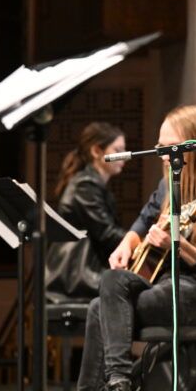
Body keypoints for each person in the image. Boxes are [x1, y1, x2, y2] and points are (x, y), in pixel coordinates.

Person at [77, 105, 196, 391]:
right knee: (111, 280)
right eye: (159, 146)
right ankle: (119, 381)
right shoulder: (170, 184)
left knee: (99, 308)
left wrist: (180, 245)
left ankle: (114, 383)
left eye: (169, 148)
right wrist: (126, 244)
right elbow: (142, 221)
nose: (162, 155)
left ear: (195, 146)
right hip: (166, 285)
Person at [46, 122, 128, 302]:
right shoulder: (85, 185)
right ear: (97, 151)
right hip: (78, 275)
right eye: (118, 149)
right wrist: (139, 242)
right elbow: (106, 233)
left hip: (87, 270)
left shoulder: (92, 184)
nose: (125, 156)